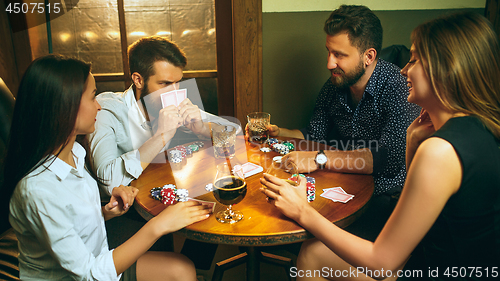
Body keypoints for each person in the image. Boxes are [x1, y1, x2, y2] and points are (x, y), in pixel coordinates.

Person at [261, 11, 500, 280]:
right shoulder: (477, 128)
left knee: (313, 252)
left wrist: (303, 211)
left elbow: (382, 262)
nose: (405, 69)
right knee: (314, 251)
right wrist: (412, 144)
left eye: (415, 59)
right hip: (433, 261)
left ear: (445, 69)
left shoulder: (440, 150)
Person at [3, 54, 211, 280]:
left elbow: (72, 224)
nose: (99, 106)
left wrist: (104, 213)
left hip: (100, 260)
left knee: (182, 268)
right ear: (65, 105)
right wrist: (159, 225)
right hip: (88, 275)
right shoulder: (38, 190)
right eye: (93, 97)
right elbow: (90, 274)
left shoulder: (73, 153)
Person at [257, 5, 421, 242]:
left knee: (310, 241)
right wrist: (279, 132)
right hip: (342, 185)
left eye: (340, 55)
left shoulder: (398, 87)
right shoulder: (335, 84)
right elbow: (314, 134)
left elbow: (389, 159)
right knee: (274, 211)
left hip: (385, 200)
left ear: (369, 56)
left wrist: (317, 159)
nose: (329, 63)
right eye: (329, 52)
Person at [88, 36, 221, 269]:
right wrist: (161, 135)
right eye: (166, 84)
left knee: (214, 200)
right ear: (138, 80)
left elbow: (234, 132)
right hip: (121, 213)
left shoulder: (177, 100)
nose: (176, 92)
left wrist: (202, 129)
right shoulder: (108, 109)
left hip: (164, 194)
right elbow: (107, 182)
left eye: (179, 82)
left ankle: (195, 269)